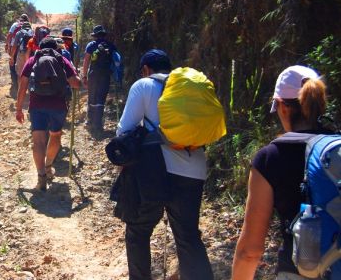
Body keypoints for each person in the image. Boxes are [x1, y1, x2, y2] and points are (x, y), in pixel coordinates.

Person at [116, 49, 213, 280]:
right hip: (194, 168)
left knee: (138, 231)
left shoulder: (143, 86)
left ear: (146, 69)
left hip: (153, 170)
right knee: (188, 237)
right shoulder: (187, 90)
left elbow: (124, 131)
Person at [232, 65, 329, 280]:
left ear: (283, 108)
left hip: (299, 272)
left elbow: (250, 251)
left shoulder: (270, 158)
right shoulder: (336, 149)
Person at [15, 37, 81, 191]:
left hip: (37, 105)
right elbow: (76, 83)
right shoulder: (63, 60)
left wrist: (19, 109)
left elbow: (23, 84)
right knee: (55, 135)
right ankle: (49, 166)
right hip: (58, 105)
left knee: (38, 141)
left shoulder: (32, 61)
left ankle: (41, 178)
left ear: (40, 48)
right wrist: (77, 77)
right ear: (56, 49)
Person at [81, 25, 118, 136]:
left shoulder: (91, 45)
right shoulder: (111, 46)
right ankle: (98, 124)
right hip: (105, 76)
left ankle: (90, 121)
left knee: (92, 97)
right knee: (101, 98)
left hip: (93, 75)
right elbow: (116, 61)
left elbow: (86, 61)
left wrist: (84, 76)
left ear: (95, 35)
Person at [6, 14, 29, 94]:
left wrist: (7, 45)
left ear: (20, 19)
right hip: (25, 50)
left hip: (14, 47)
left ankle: (15, 83)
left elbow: (9, 35)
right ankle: (23, 85)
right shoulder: (29, 27)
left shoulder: (15, 24)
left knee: (12, 64)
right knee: (23, 67)